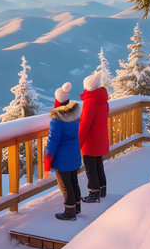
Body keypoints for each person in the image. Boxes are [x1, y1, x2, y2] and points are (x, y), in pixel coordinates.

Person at [43, 82, 82, 221]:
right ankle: (77, 208)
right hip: (74, 154)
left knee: (66, 186)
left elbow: (53, 141)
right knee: (74, 182)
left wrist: (47, 159)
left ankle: (70, 213)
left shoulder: (57, 119)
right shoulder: (75, 114)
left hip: (62, 158)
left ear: (57, 101)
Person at [79, 71, 109, 203]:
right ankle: (102, 189)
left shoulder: (89, 102)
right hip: (100, 138)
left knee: (91, 168)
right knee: (98, 165)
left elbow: (84, 125)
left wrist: (77, 143)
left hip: (91, 141)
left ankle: (94, 193)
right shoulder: (102, 100)